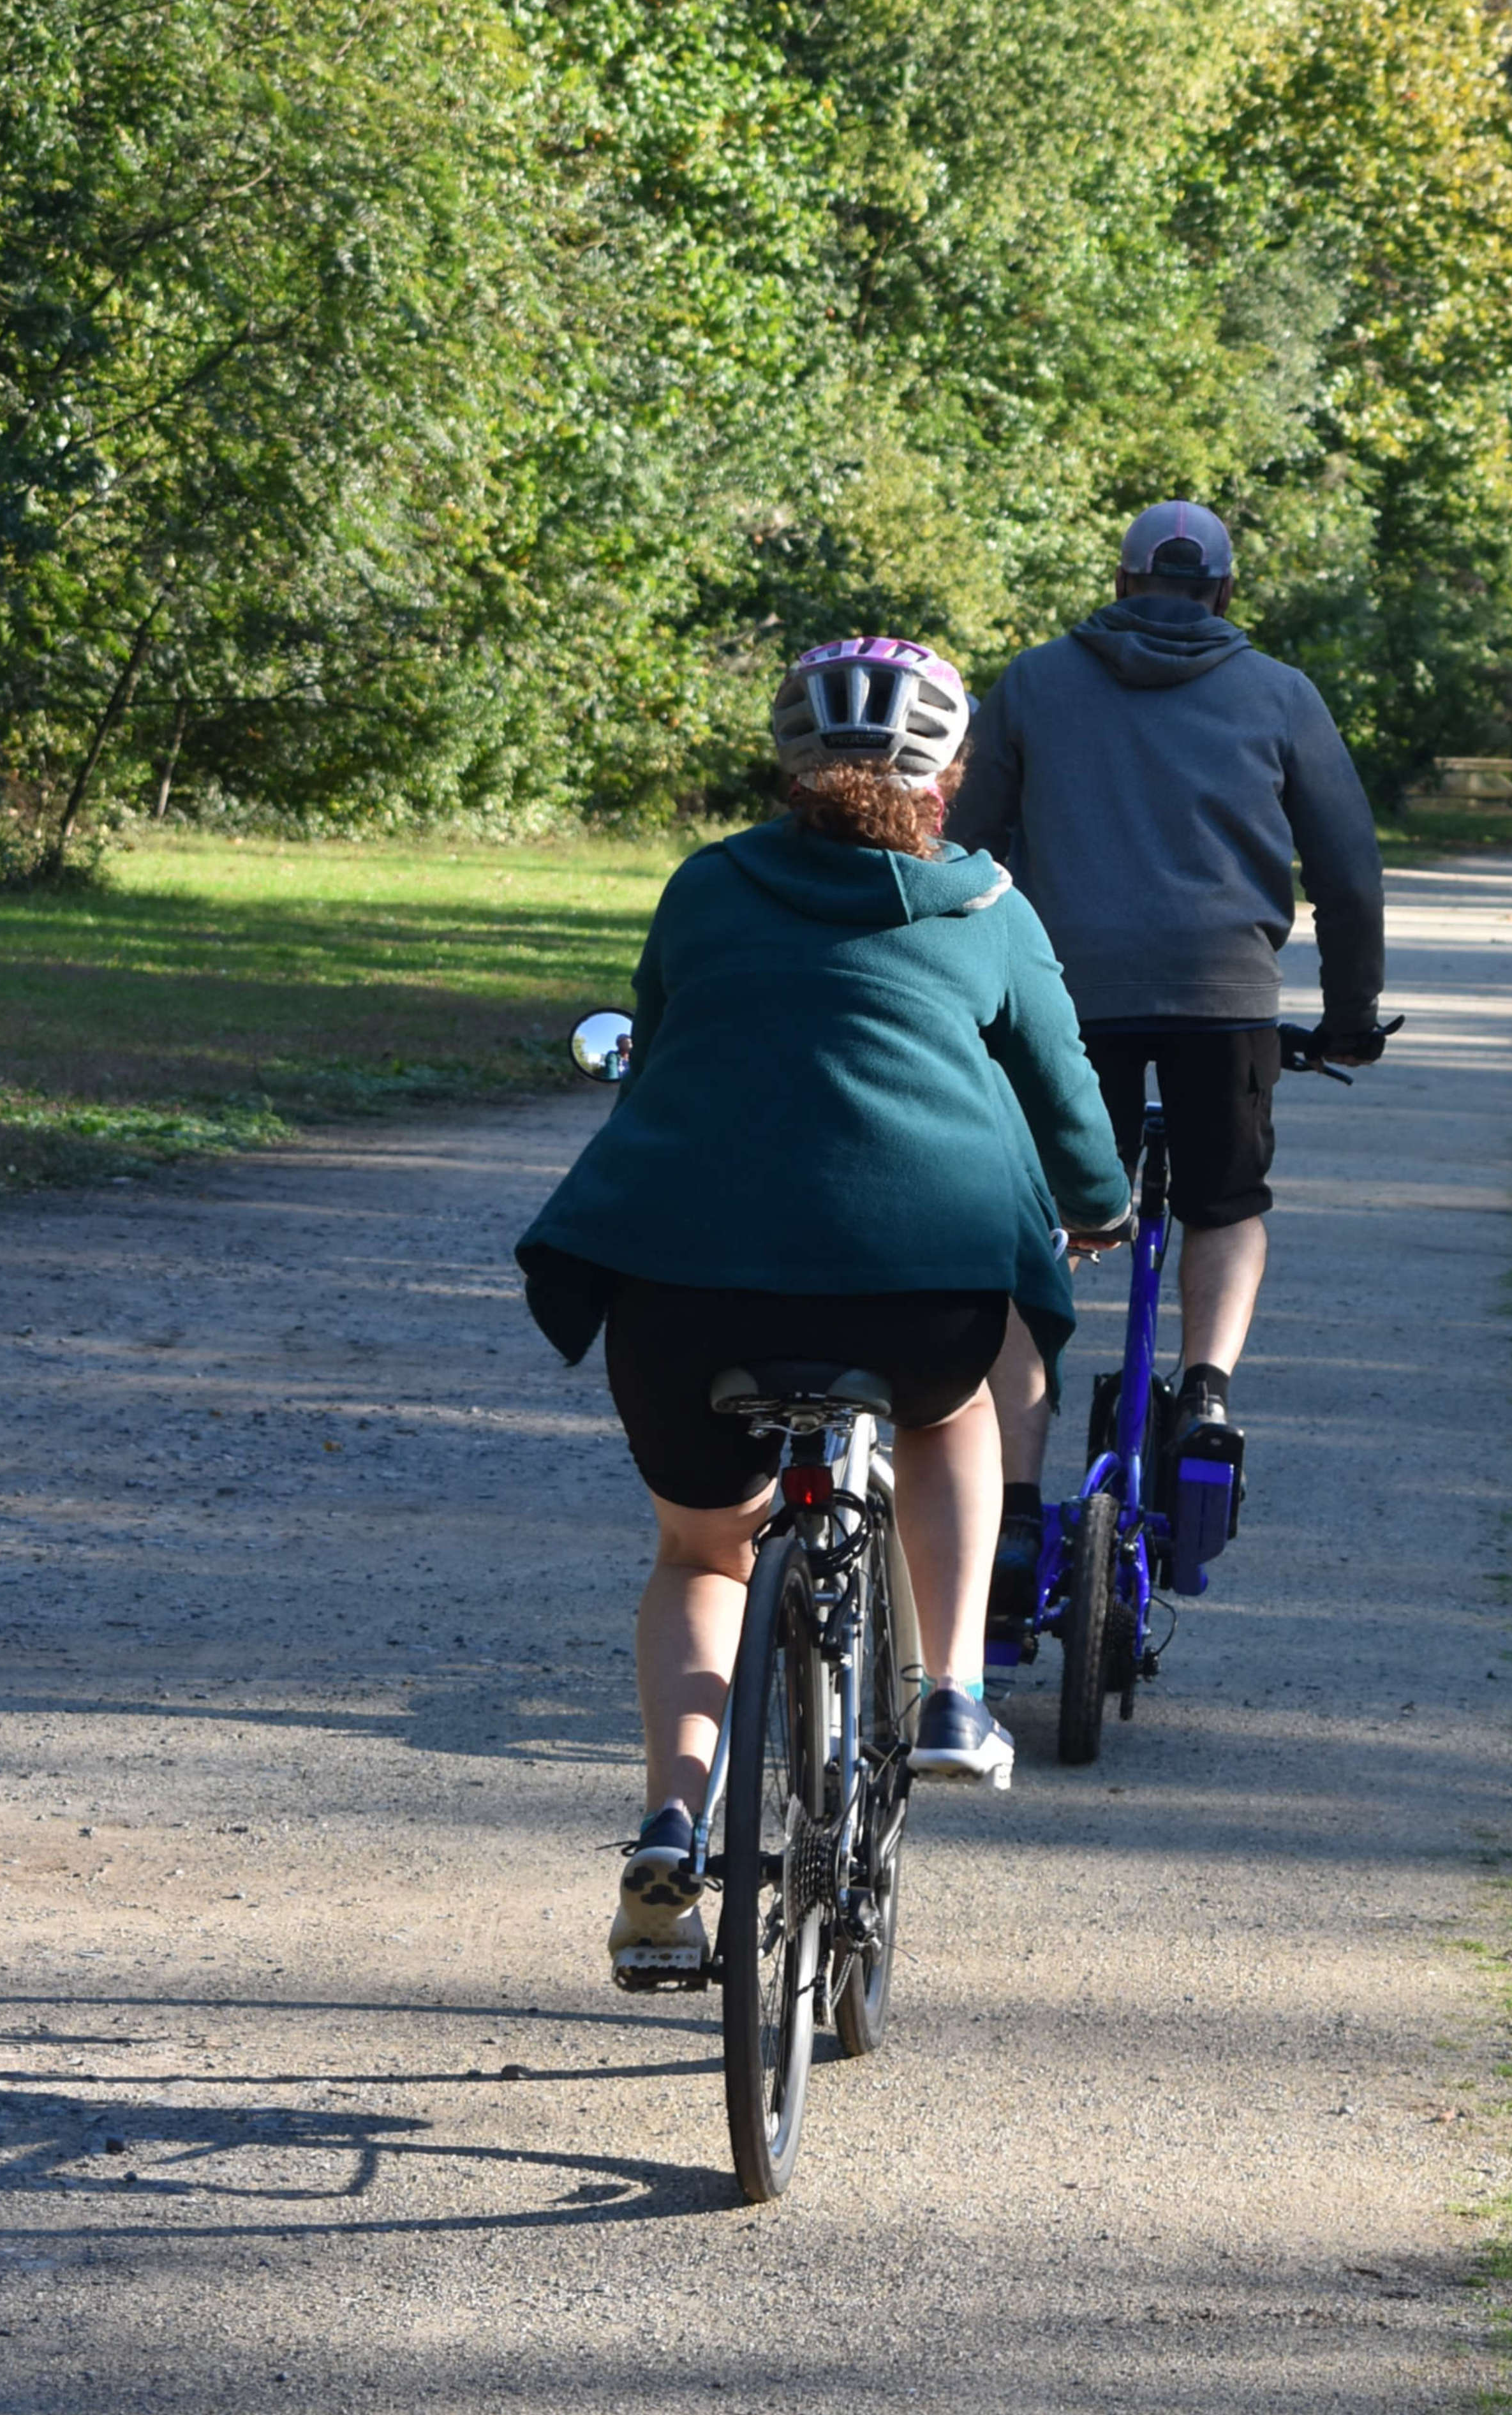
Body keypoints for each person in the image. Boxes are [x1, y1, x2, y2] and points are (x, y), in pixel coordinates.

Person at [515, 635, 1130, 1985]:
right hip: (923, 1288)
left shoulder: (706, 887)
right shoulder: (987, 910)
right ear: (951, 776)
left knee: (702, 1554)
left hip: (682, 1287)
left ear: (786, 766)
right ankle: (953, 1691)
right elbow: (1069, 1107)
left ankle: (672, 1823)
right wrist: (1100, 1205)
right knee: (957, 1405)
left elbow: (662, 1058)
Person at [945, 500, 1388, 1609]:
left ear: (1122, 581)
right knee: (1227, 1201)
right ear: (1225, 595)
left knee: (1037, 1222)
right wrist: (1348, 1012)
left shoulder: (1038, 682)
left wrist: (951, 990)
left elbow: (967, 850)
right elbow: (1348, 870)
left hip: (1062, 995)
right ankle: (1207, 1393)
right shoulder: (1282, 693)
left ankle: (1011, 1505)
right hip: (1223, 996)